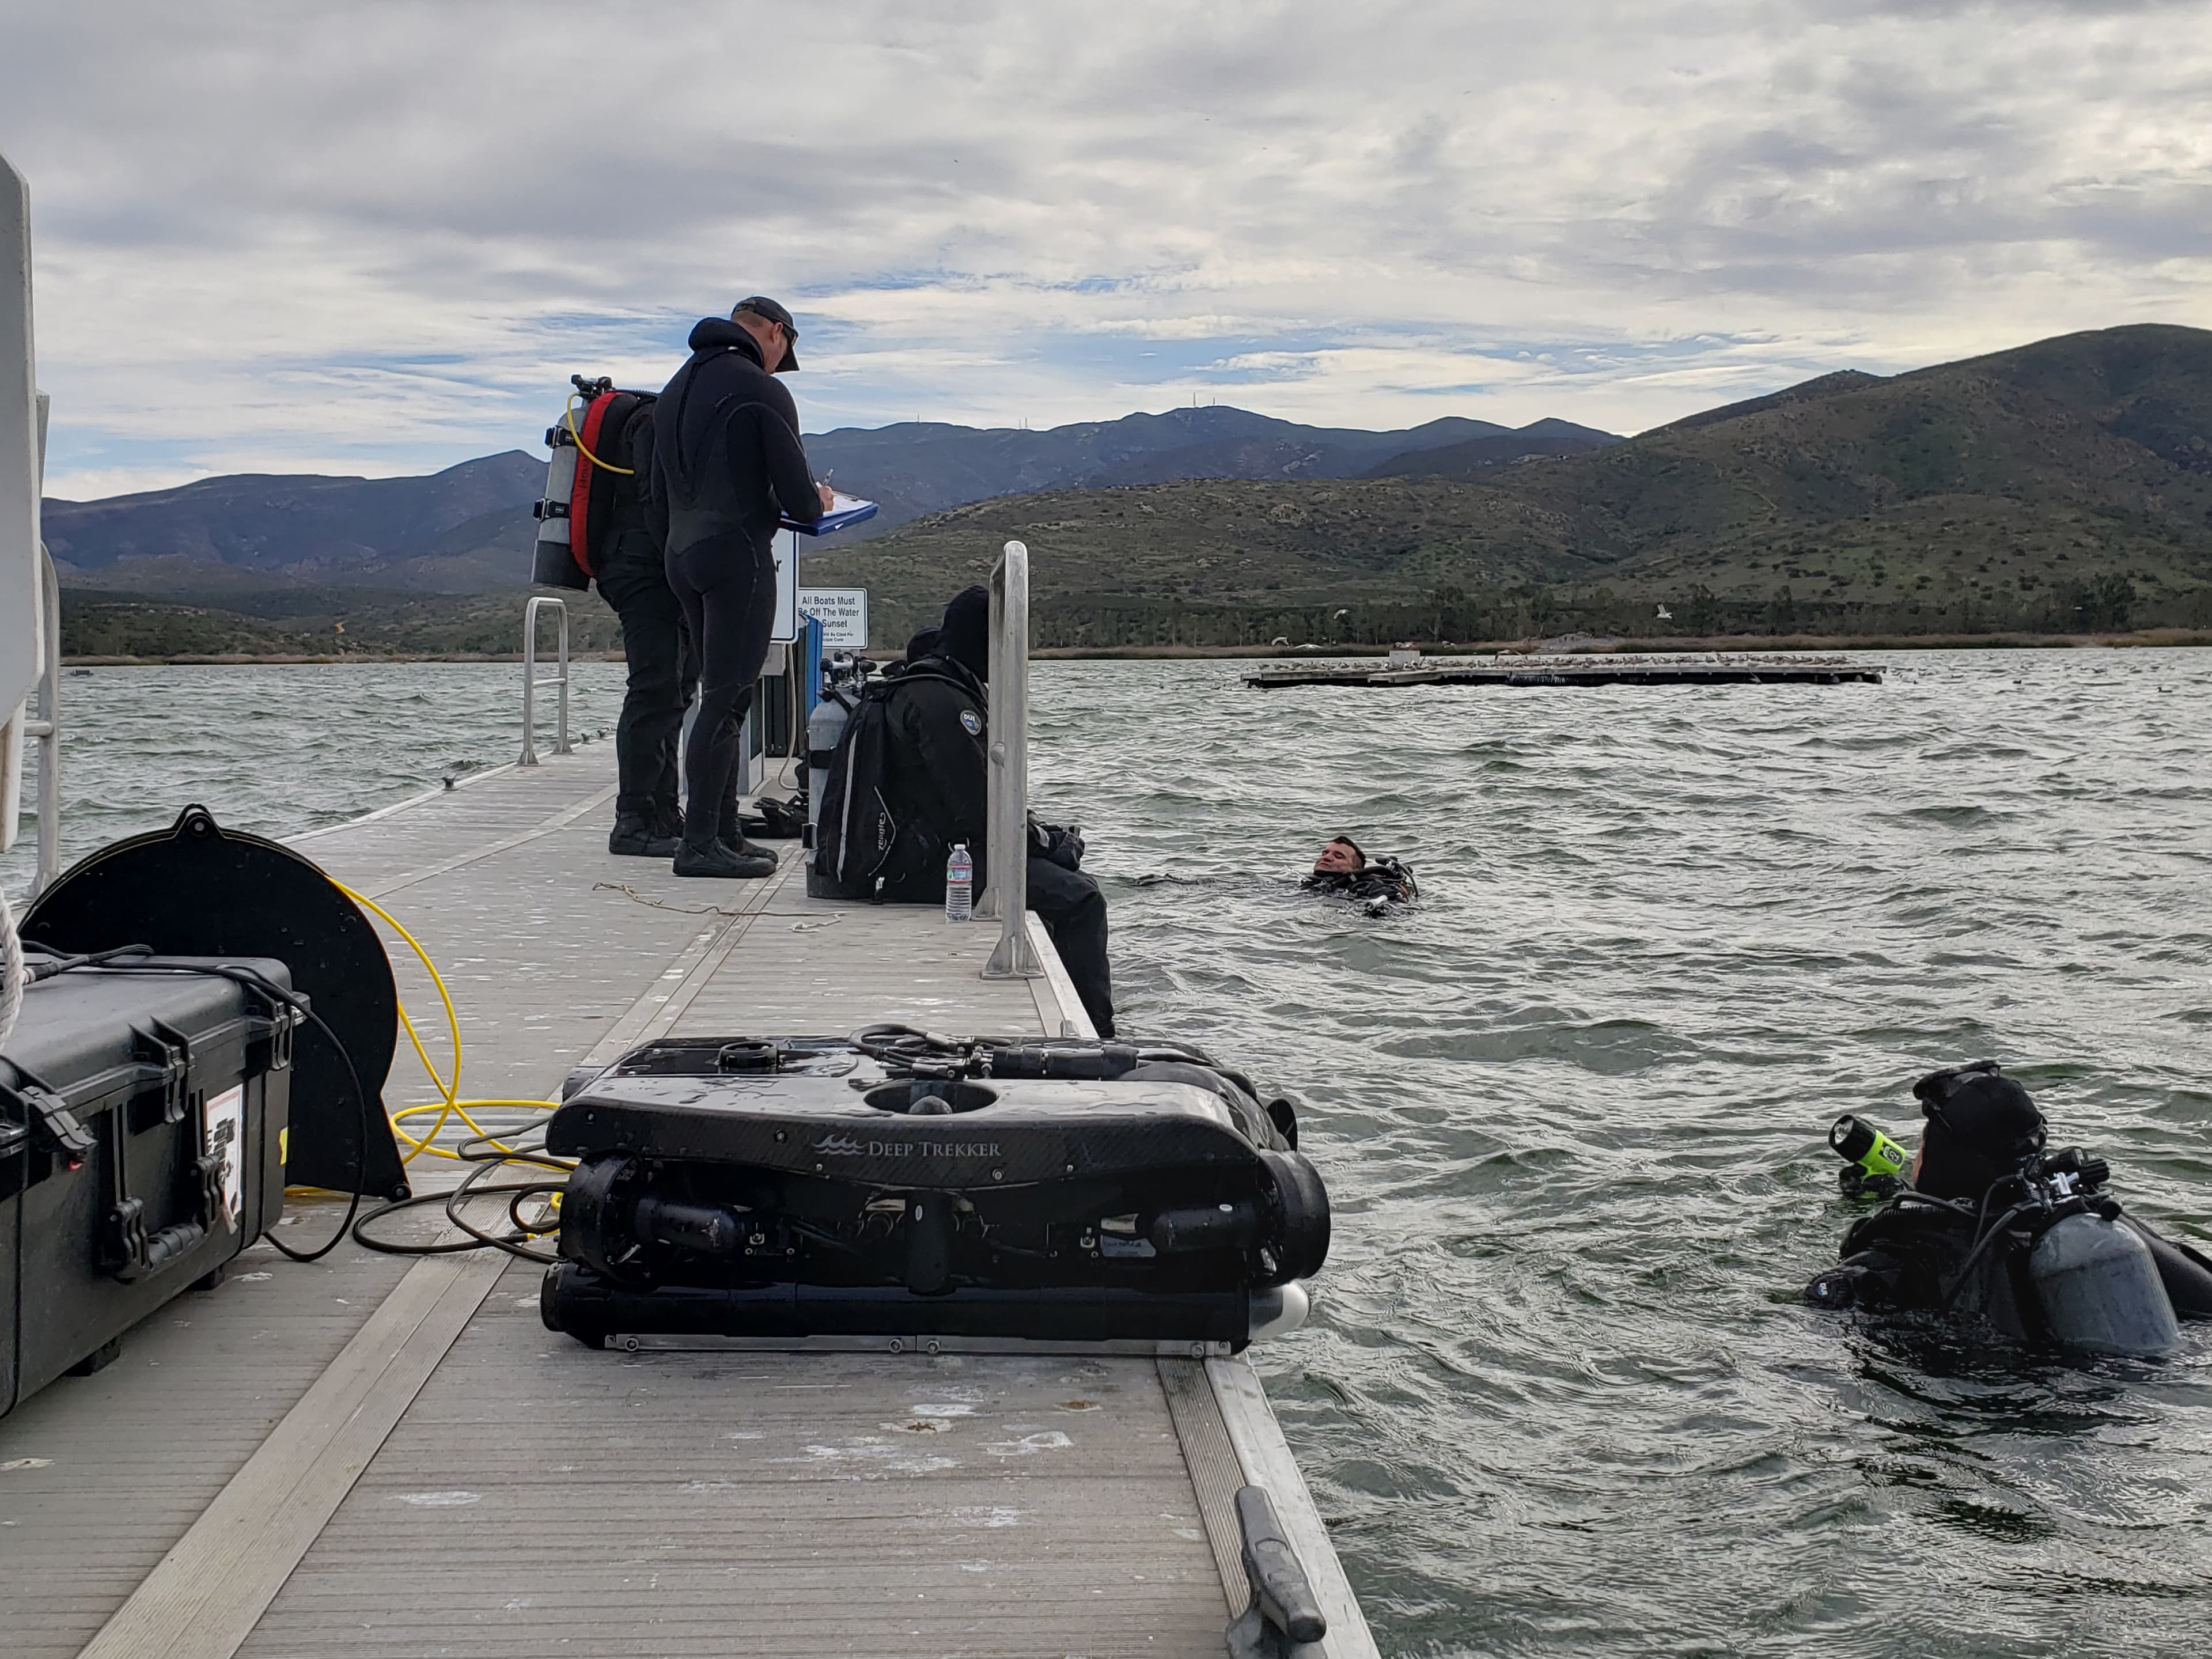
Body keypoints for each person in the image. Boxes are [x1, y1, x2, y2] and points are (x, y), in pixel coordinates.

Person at [1805, 1062, 2212, 1337]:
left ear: (1946, 1159)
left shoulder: (1905, 1251)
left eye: (1925, 1141)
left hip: (1993, 1414)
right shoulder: (2087, 1217)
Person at [873, 585, 1117, 1036]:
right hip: (928, 866)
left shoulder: (934, 686)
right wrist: (1047, 844)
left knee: (1066, 880)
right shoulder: (943, 701)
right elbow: (978, 812)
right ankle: (1099, 1040)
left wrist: (1041, 837)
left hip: (921, 852)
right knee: (1082, 900)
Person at [647, 296, 834, 878]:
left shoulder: (675, 389)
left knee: (716, 697)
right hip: (737, 557)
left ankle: (724, 831)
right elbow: (799, 499)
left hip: (681, 555)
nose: (779, 368)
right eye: (783, 354)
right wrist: (820, 501)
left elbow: (655, 497)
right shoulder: (762, 390)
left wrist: (681, 547)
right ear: (776, 333)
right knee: (728, 699)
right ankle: (699, 844)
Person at [596, 410, 691, 858]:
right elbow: (656, 504)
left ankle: (664, 813)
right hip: (642, 567)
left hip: (667, 568)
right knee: (655, 689)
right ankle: (632, 821)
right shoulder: (657, 423)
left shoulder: (675, 420)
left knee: (676, 690)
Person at [1301, 836, 1418, 914]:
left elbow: (1396, 905)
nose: (1326, 857)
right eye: (1325, 853)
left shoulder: (1365, 886)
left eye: (1338, 856)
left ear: (1355, 869)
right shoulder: (1304, 882)